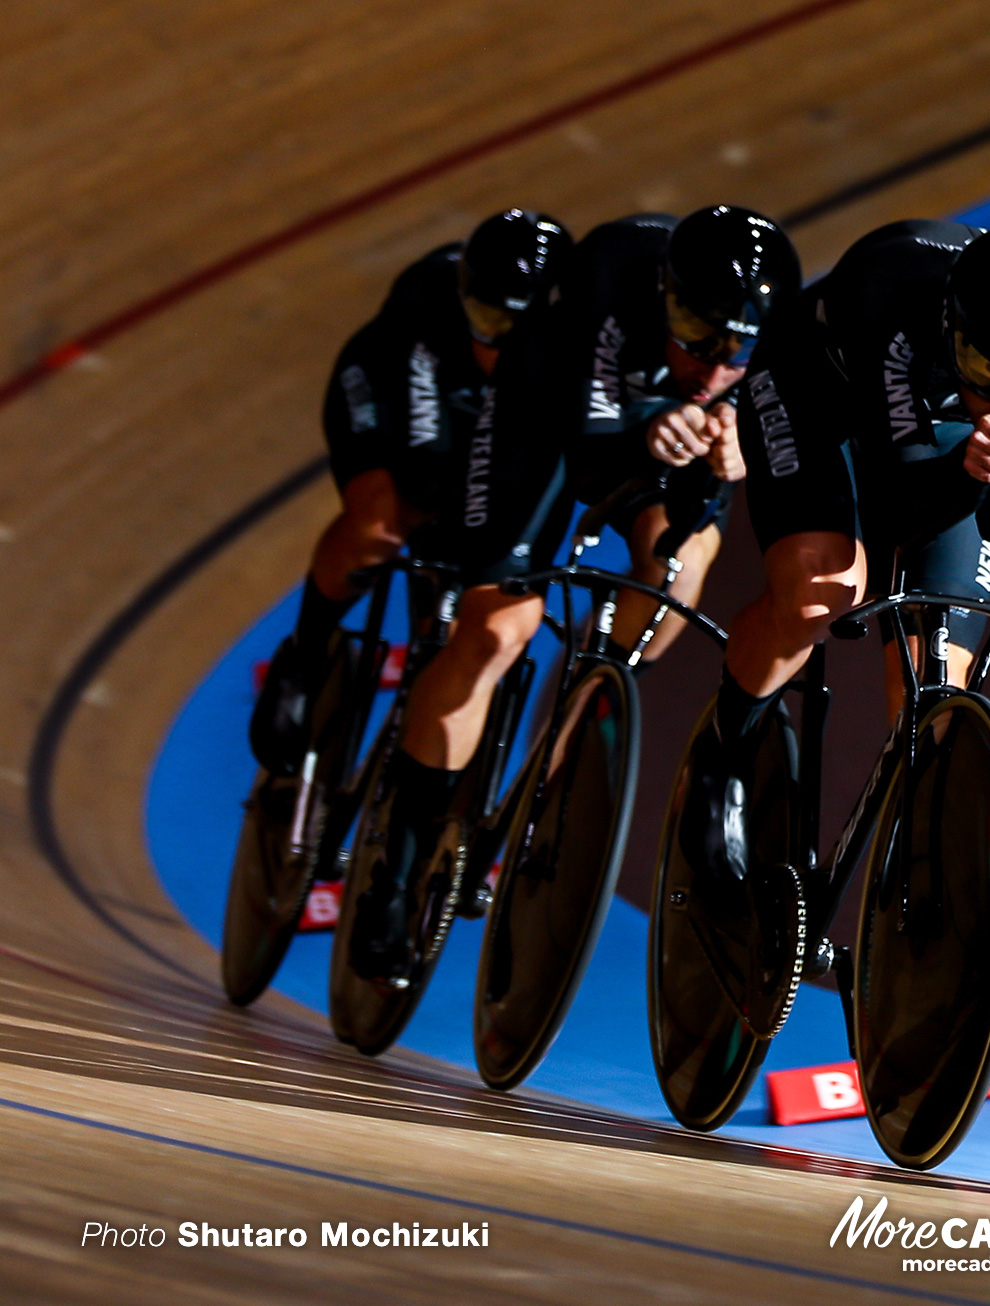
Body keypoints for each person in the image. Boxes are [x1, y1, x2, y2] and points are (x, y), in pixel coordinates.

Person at [687, 220, 990, 856]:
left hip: (938, 440)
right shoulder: (890, 287)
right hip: (816, 395)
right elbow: (901, 508)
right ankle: (722, 754)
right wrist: (972, 472)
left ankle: (920, 858)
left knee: (936, 678)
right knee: (821, 592)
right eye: (981, 368)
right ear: (952, 327)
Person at [248, 208, 576, 981]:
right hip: (395, 397)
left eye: (516, 322)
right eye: (488, 315)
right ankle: (309, 649)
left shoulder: (562, 346)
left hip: (490, 434)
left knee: (473, 622)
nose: (498, 335)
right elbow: (429, 456)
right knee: (382, 523)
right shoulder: (434, 302)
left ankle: (408, 822)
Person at [555, 206, 799, 659]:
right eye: (700, 347)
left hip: (650, 420)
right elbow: (586, 451)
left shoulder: (777, 336)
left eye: (735, 361)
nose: (711, 379)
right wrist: (649, 420)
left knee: (679, 568)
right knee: (501, 607)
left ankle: (588, 706)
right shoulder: (611, 276)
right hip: (561, 406)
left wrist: (741, 435)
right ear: (667, 301)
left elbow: (775, 419)